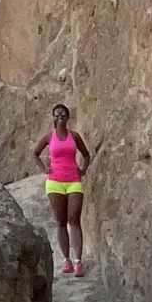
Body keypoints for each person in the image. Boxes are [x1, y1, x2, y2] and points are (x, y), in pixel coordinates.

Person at [35, 103, 97, 276]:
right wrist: (44, 169)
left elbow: (86, 155)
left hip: (73, 181)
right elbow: (35, 153)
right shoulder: (49, 136)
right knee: (61, 221)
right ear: (53, 117)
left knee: (74, 218)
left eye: (63, 114)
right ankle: (66, 260)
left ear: (68, 117)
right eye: (57, 114)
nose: (60, 117)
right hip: (54, 182)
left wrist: (83, 169)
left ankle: (78, 261)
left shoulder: (74, 136)